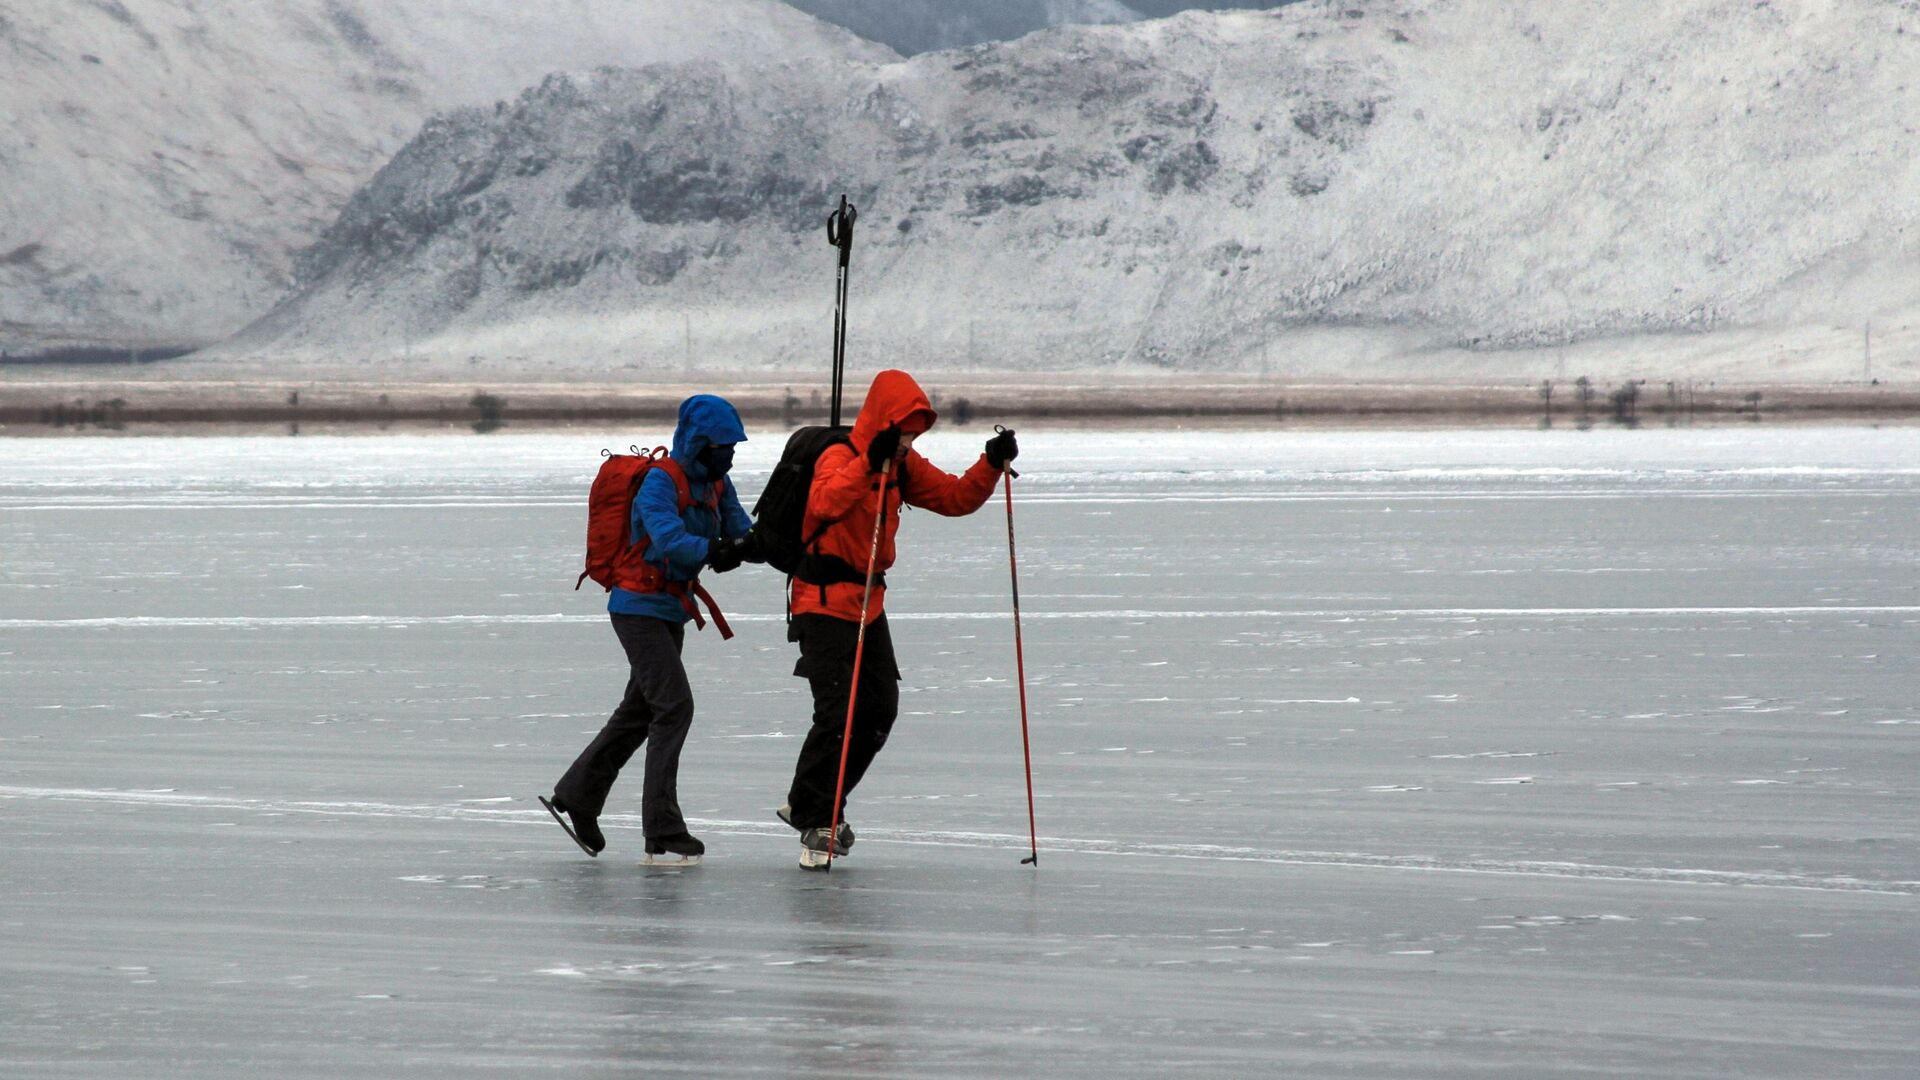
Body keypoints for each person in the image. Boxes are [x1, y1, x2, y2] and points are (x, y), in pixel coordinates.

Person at [778, 369, 1018, 869]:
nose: (910, 441)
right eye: (905, 431)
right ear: (885, 422)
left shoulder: (902, 464)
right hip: (820, 602)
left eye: (915, 433)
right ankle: (817, 818)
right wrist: (869, 459)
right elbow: (825, 503)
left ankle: (812, 803)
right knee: (837, 714)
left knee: (878, 710)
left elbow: (954, 499)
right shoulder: (839, 458)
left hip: (868, 605)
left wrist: (990, 464)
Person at [544, 394, 761, 864]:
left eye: (733, 446)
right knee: (674, 706)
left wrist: (760, 544)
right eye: (724, 445)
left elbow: (740, 530)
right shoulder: (661, 483)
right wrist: (714, 550)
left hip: (670, 609)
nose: (731, 453)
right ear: (700, 443)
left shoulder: (719, 485)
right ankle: (662, 826)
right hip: (637, 608)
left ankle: (578, 794)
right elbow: (668, 538)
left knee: (639, 711)